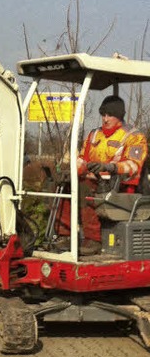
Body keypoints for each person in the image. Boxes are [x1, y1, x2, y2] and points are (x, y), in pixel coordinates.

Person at [55, 94, 148, 253]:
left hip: (120, 187)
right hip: (95, 182)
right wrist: (73, 170)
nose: (105, 119)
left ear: (119, 116)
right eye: (103, 114)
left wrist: (111, 167)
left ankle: (93, 240)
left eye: (110, 115)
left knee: (84, 188)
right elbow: (82, 158)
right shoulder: (94, 135)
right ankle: (65, 235)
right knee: (64, 185)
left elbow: (133, 165)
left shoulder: (134, 137)